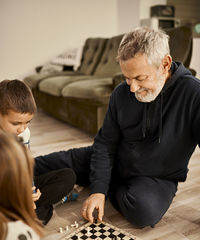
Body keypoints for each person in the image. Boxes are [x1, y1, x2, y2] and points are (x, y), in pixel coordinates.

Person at [34, 27, 200, 228]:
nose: (132, 88)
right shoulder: (121, 93)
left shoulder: (194, 94)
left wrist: (100, 187)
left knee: (144, 213)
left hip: (154, 177)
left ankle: (101, 179)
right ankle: (100, 179)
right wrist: (97, 191)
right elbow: (105, 143)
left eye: (140, 78)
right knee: (36, 165)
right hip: (114, 157)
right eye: (127, 78)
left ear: (165, 64)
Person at [0, 132, 84, 240]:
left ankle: (48, 203)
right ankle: (52, 203)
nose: (22, 128)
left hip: (17, 198)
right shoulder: (21, 236)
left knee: (67, 176)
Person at [0, 79, 76, 224]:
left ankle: (31, 211)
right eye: (15, 123)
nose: (22, 129)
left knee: (68, 176)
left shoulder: (23, 134)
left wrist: (30, 190)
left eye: (27, 122)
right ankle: (42, 208)